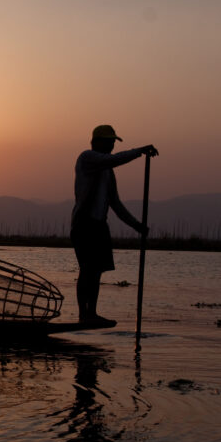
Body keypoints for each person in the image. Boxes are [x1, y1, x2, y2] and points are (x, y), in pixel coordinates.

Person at [71, 124, 158, 325]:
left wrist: (136, 225)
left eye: (113, 142)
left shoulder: (108, 172)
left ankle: (91, 313)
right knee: (87, 269)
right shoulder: (87, 158)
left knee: (97, 271)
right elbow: (115, 159)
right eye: (109, 141)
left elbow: (116, 204)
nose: (112, 145)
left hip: (100, 226)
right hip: (84, 224)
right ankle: (84, 314)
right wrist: (140, 151)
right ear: (97, 142)